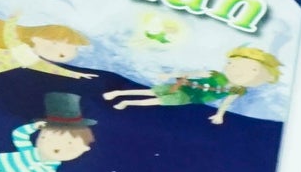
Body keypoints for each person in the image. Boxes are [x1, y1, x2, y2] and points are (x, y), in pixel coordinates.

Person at [103, 46, 282, 124]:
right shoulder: (215, 74)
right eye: (233, 65)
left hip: (189, 97)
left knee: (156, 100)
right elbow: (192, 73)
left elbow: (227, 102)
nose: (237, 72)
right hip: (183, 87)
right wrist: (170, 75)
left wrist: (219, 114)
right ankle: (119, 93)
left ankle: (125, 101)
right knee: (152, 92)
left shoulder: (237, 90)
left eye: (253, 71)